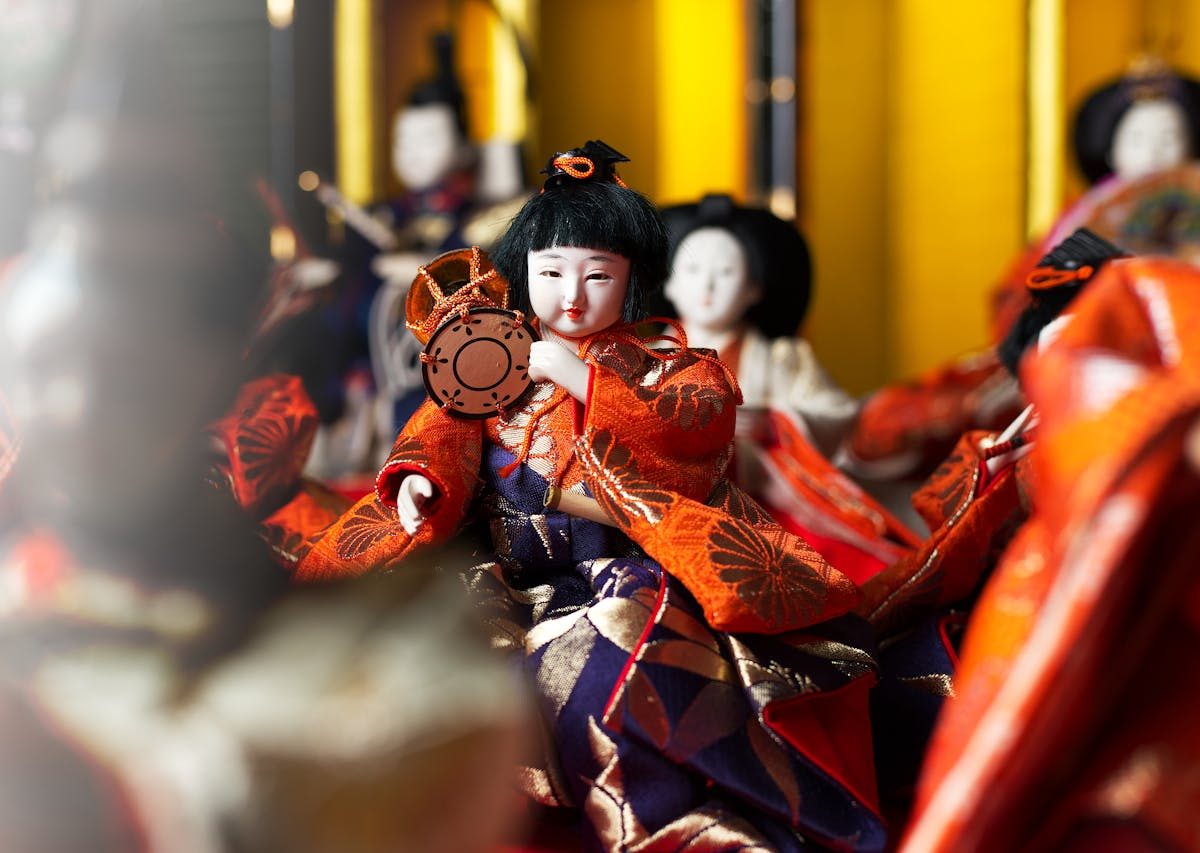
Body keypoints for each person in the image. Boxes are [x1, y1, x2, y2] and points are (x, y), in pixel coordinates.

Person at [298, 141, 887, 852]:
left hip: (621, 561)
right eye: (551, 273)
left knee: (619, 657)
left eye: (597, 276)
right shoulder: (493, 353)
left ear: (631, 280)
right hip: (507, 565)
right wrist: (421, 477)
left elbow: (698, 423)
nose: (572, 296)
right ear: (524, 273)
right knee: (421, 652)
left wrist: (584, 379)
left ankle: (652, 818)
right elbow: (442, 424)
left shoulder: (665, 362)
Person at [660, 194, 916, 583]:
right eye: (693, 271)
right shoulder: (646, 357)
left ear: (753, 290)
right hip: (673, 507)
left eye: (726, 273)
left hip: (763, 507)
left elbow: (836, 411)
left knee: (836, 572)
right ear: (671, 286)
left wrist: (776, 424)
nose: (707, 285)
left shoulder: (782, 357)